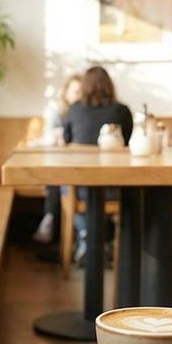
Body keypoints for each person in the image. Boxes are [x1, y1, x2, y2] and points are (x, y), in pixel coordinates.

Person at [62, 66, 133, 261]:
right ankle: (108, 242)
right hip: (116, 189)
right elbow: (127, 144)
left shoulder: (74, 109)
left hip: (80, 188)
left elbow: (66, 140)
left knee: (64, 186)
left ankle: (86, 236)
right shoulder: (121, 111)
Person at [32, 74, 84, 243]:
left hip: (79, 166)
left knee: (69, 186)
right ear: (66, 93)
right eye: (75, 91)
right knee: (59, 182)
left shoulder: (86, 112)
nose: (79, 96)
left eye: (82, 92)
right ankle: (55, 221)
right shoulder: (57, 110)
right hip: (60, 164)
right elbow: (51, 135)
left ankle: (53, 222)